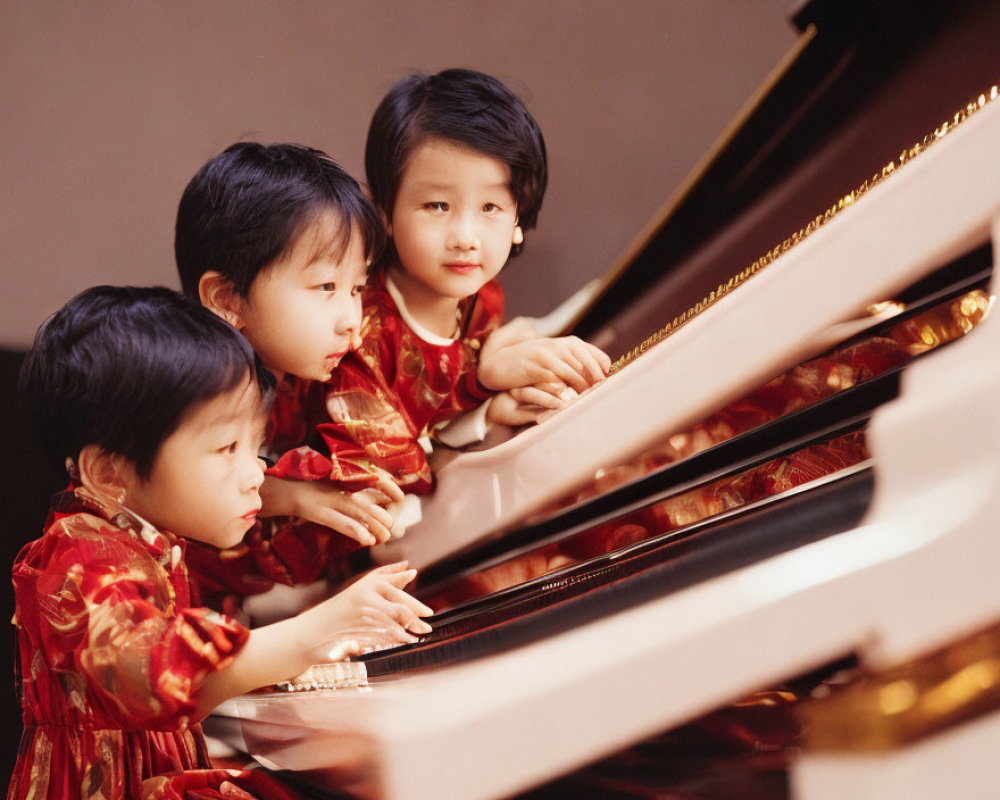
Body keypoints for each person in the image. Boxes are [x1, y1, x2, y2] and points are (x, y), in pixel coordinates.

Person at [10, 286, 432, 800]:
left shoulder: (144, 536)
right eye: (227, 447)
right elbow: (154, 672)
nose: (255, 473)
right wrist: (316, 630)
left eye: (256, 446)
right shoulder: (77, 557)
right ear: (109, 471)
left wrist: (297, 499)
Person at [303, 68, 612, 500]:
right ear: (385, 211)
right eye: (438, 205)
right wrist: (482, 390)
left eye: (490, 206)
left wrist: (488, 410)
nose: (466, 237)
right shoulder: (358, 332)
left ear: (518, 218)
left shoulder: (482, 299)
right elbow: (391, 475)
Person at [175, 142, 407, 610]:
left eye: (357, 287)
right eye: (326, 287)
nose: (350, 317)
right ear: (227, 299)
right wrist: (293, 496)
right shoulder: (186, 390)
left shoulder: (321, 375)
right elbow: (185, 490)